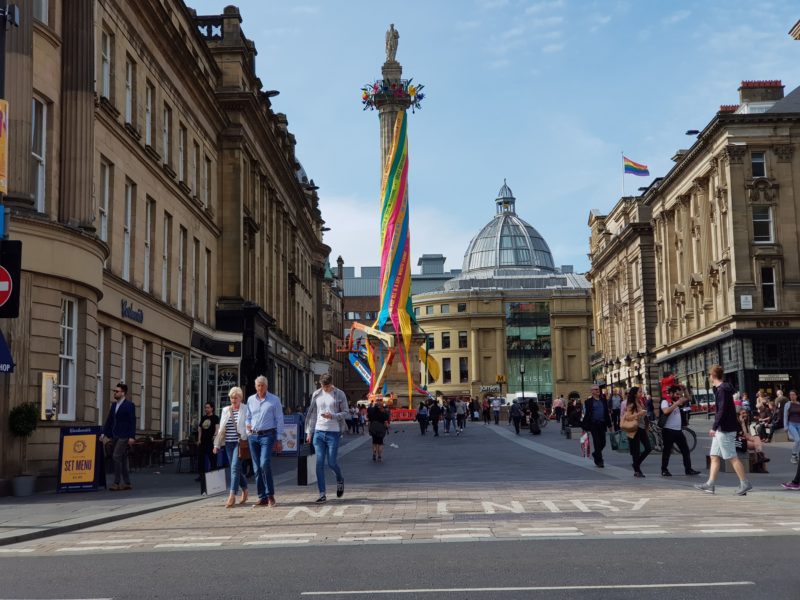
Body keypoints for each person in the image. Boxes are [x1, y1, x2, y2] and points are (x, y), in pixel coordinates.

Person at [695, 365, 752, 496]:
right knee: (714, 456)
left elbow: (721, 410)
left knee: (731, 457)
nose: (709, 377)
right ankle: (710, 484)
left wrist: (714, 427)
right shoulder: (722, 389)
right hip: (723, 429)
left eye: (709, 375)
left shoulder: (722, 390)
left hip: (725, 429)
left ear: (713, 375)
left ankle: (745, 483)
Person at [305, 373, 348, 503]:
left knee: (331, 462)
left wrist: (333, 416)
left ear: (331, 384)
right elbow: (312, 415)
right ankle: (322, 493)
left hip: (333, 432)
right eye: (323, 386)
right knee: (319, 463)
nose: (325, 389)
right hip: (318, 432)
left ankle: (340, 479)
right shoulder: (316, 394)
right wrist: (309, 432)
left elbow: (346, 412)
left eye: (327, 386)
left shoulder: (340, 394)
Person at [245, 375, 284, 507]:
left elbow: (279, 419)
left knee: (264, 464)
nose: (260, 388)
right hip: (253, 436)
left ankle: (270, 495)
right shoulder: (250, 400)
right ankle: (262, 497)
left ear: (266, 386)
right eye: (258, 385)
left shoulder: (274, 400)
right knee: (256, 468)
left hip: (268, 435)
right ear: (255, 386)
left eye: (262, 385)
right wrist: (248, 427)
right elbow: (248, 417)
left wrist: (279, 439)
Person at [213, 387, 248, 508]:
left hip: (240, 443)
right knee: (235, 469)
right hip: (228, 443)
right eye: (231, 397)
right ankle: (245, 489)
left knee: (234, 468)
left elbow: (248, 424)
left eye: (236, 397)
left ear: (240, 398)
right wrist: (216, 444)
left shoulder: (245, 409)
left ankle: (232, 495)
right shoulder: (225, 410)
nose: (233, 400)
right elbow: (221, 428)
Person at [101, 382, 136, 491]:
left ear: (123, 393)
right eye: (114, 391)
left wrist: (131, 436)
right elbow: (110, 420)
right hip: (115, 434)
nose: (114, 393)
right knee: (123, 458)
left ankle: (116, 482)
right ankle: (127, 483)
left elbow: (132, 421)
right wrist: (104, 433)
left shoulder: (129, 405)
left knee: (116, 456)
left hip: (124, 435)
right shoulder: (114, 405)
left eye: (117, 391)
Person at [660, 385, 700, 477]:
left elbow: (688, 398)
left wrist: (685, 389)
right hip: (668, 430)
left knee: (685, 450)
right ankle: (664, 470)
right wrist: (676, 404)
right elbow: (666, 411)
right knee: (667, 451)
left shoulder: (677, 401)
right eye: (677, 394)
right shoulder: (665, 401)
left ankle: (688, 469)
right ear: (671, 393)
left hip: (678, 430)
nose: (678, 396)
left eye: (679, 394)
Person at [620, 387, 650, 477]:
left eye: (641, 391)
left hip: (642, 428)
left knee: (648, 448)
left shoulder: (640, 402)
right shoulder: (631, 404)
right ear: (635, 394)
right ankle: (637, 470)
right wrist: (639, 414)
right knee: (635, 451)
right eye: (640, 392)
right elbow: (628, 417)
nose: (642, 393)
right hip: (634, 429)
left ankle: (636, 465)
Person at [581, 384, 612, 468]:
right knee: (597, 442)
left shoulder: (603, 400)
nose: (597, 390)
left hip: (602, 424)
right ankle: (599, 461)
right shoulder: (588, 402)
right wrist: (584, 425)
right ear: (592, 391)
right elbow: (587, 414)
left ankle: (595, 454)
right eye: (595, 389)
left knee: (603, 443)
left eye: (598, 389)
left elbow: (606, 413)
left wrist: (610, 425)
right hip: (593, 424)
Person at [197, 402, 219, 482]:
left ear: (212, 408)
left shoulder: (215, 417)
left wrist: (215, 436)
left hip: (211, 441)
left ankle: (213, 475)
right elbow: (200, 429)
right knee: (201, 458)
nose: (206, 409)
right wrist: (199, 439)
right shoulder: (203, 418)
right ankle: (201, 475)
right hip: (203, 441)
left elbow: (217, 428)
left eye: (208, 407)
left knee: (212, 458)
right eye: (205, 407)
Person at [783, 390, 800, 464]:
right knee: (797, 439)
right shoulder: (788, 404)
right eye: (790, 395)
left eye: (793, 395)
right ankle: (793, 456)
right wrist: (785, 426)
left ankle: (797, 455)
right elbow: (785, 415)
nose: (792, 396)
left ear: (796, 396)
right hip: (791, 424)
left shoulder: (799, 404)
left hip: (799, 424)